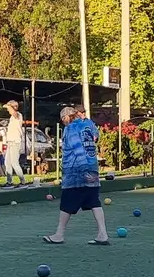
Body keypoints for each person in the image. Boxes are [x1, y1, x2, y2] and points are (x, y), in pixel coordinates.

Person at [43, 104, 109, 245]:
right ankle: (103, 233)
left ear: (67, 117)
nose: (63, 122)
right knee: (93, 201)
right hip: (92, 166)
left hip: (76, 171)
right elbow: (95, 137)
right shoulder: (88, 125)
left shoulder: (70, 129)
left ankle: (59, 234)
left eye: (63, 119)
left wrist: (84, 170)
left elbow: (78, 150)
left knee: (67, 202)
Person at [3, 100, 28, 185]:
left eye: (9, 108)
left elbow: (14, 113)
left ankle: (22, 181)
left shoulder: (18, 115)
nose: (8, 110)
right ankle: (9, 182)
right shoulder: (11, 118)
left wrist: (9, 105)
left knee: (14, 163)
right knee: (7, 163)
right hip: (10, 142)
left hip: (15, 142)